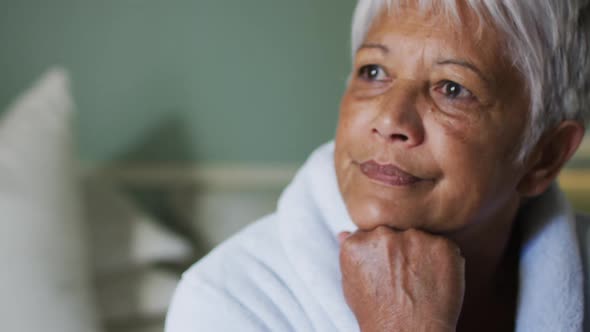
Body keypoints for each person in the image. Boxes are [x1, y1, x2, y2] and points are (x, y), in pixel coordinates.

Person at [165, 0, 590, 331]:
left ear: (544, 155)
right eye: (373, 71)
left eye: (453, 89)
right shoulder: (227, 300)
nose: (390, 120)